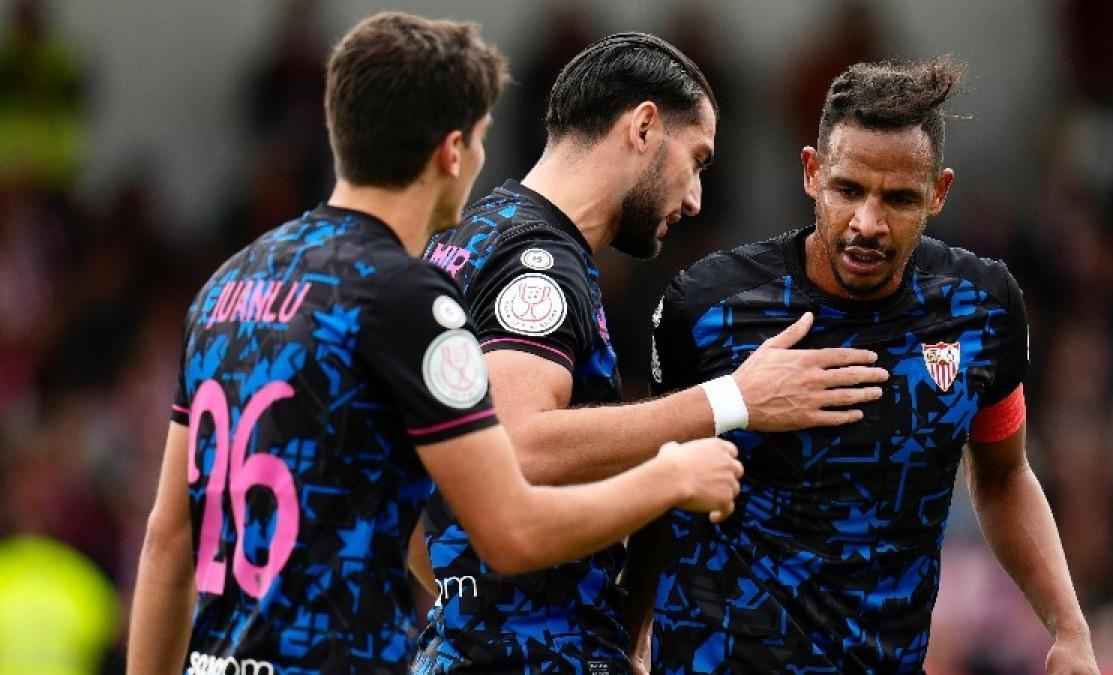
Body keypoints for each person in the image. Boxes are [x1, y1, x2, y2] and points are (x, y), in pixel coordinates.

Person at [125, 12, 746, 673]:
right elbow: (510, 524)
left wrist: (459, 604)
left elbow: (167, 540)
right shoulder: (405, 300)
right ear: (453, 150)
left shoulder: (229, 285)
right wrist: (675, 468)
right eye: (479, 140)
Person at [415, 33, 890, 674]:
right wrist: (732, 400)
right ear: (643, 127)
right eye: (695, 160)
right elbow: (517, 445)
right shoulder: (538, 266)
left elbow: (402, 491)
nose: (694, 199)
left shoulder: (461, 244)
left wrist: (467, 609)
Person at [626, 56, 1102, 673]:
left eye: (900, 198)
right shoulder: (708, 305)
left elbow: (1004, 476)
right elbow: (659, 481)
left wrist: (1069, 628)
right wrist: (629, 633)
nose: (867, 223)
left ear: (939, 192)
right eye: (848, 190)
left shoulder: (983, 307)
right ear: (811, 172)